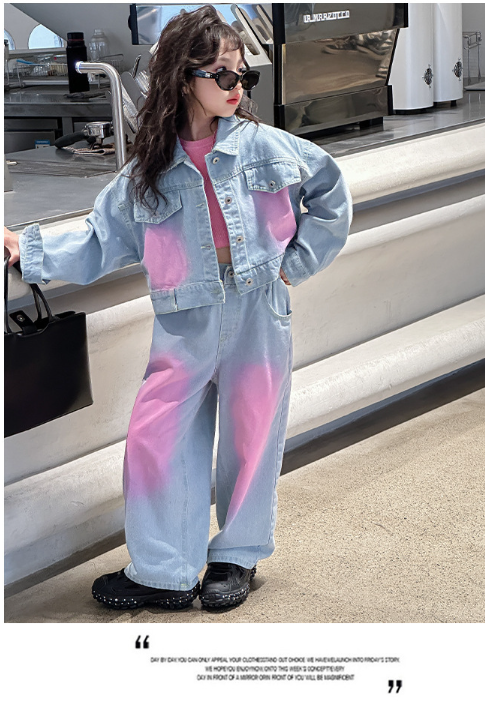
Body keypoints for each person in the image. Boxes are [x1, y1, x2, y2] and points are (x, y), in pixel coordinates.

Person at [4, 5, 352, 612]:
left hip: (258, 310)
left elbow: (331, 195)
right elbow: (98, 239)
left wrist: (294, 265)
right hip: (184, 319)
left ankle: (237, 556)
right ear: (182, 79)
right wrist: (25, 250)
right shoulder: (150, 169)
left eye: (243, 73)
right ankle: (164, 570)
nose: (238, 86)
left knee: (253, 435)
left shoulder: (266, 145)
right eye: (223, 74)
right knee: (156, 438)